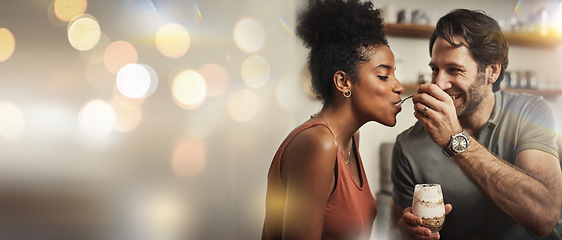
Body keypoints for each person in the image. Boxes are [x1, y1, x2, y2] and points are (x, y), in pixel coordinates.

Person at [390, 9, 562, 240]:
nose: (439, 83)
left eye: (454, 70)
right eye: (435, 69)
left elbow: (544, 217)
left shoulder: (530, 112)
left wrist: (455, 138)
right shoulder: (407, 144)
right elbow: (395, 229)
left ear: (492, 71)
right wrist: (406, 231)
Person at [261, 0, 405, 239]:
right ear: (343, 82)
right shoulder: (318, 144)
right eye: (383, 75)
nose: (398, 86)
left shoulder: (350, 139)